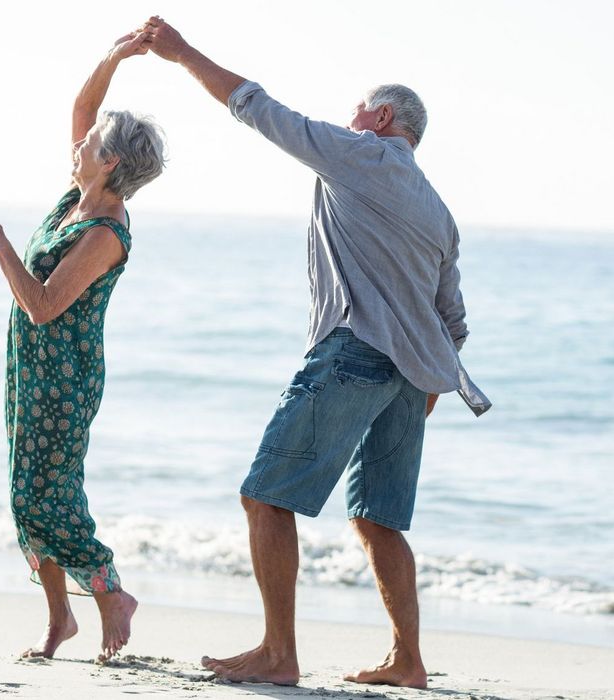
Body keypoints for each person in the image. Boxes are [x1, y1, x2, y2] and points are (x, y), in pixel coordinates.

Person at [139, 15, 491, 689]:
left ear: (382, 117)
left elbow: (258, 108)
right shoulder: (439, 210)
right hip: (410, 380)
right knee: (377, 518)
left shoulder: (360, 153)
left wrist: (181, 53)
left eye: (356, 110)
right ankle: (408, 661)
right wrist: (426, 390)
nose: (347, 118)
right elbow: (454, 319)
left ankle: (278, 652)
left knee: (264, 497)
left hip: (354, 352)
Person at [0, 32, 166, 662]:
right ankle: (60, 620)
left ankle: (110, 591)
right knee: (23, 493)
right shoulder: (76, 198)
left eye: (90, 145)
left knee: (43, 495)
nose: (78, 144)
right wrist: (113, 58)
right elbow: (83, 115)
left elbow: (45, 305)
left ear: (109, 163)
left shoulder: (106, 229)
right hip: (29, 367)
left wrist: (2, 247)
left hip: (64, 377)